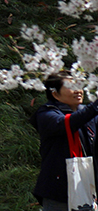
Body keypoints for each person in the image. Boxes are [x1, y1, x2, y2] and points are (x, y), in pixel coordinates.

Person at [30, 70, 98, 211]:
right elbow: (67, 123)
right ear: (55, 94)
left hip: (88, 186)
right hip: (59, 191)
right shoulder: (46, 114)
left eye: (79, 85)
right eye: (71, 87)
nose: (78, 90)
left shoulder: (89, 114)